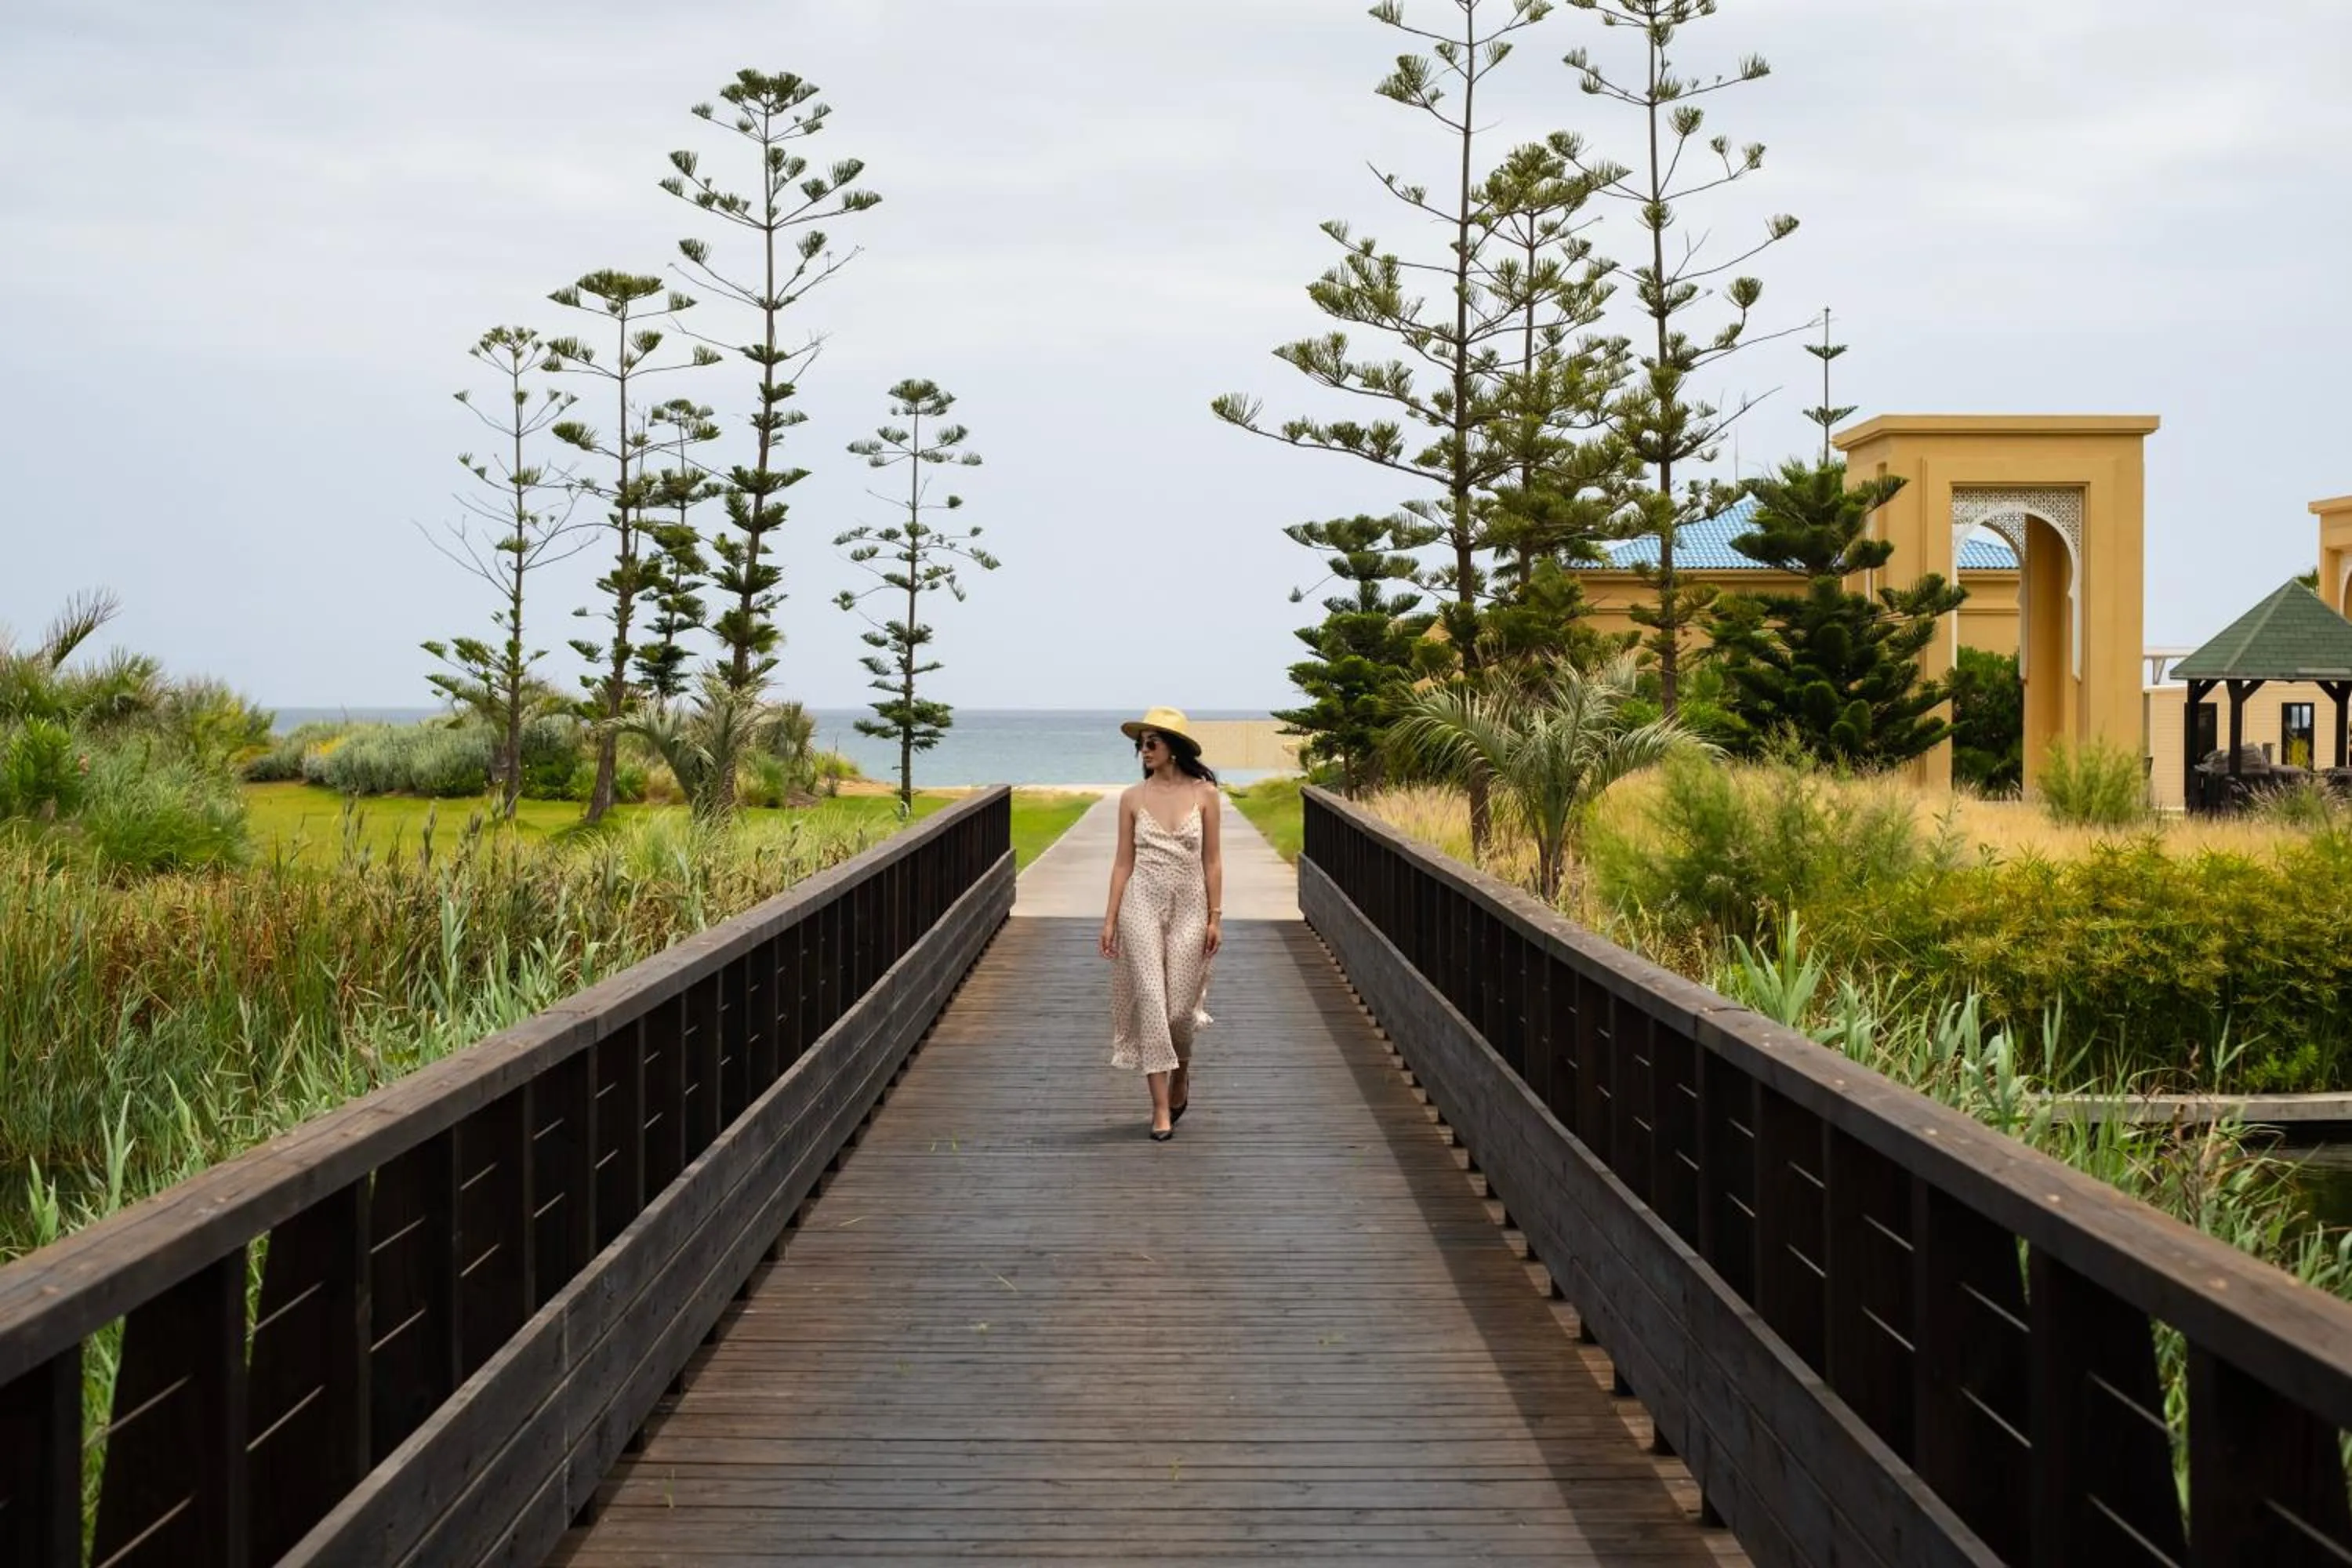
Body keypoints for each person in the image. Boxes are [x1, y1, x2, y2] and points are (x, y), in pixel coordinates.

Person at [1100, 706, 1223, 1141]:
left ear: (1174, 748)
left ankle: (1181, 1072)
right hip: (1141, 903)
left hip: (1191, 906)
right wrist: (1110, 919)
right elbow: (1122, 862)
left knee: (1178, 1010)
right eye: (1141, 744)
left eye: (1152, 743)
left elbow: (1212, 861)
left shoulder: (1205, 794)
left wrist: (1215, 917)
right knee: (1152, 999)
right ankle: (1159, 1110)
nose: (1145, 750)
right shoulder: (1132, 798)